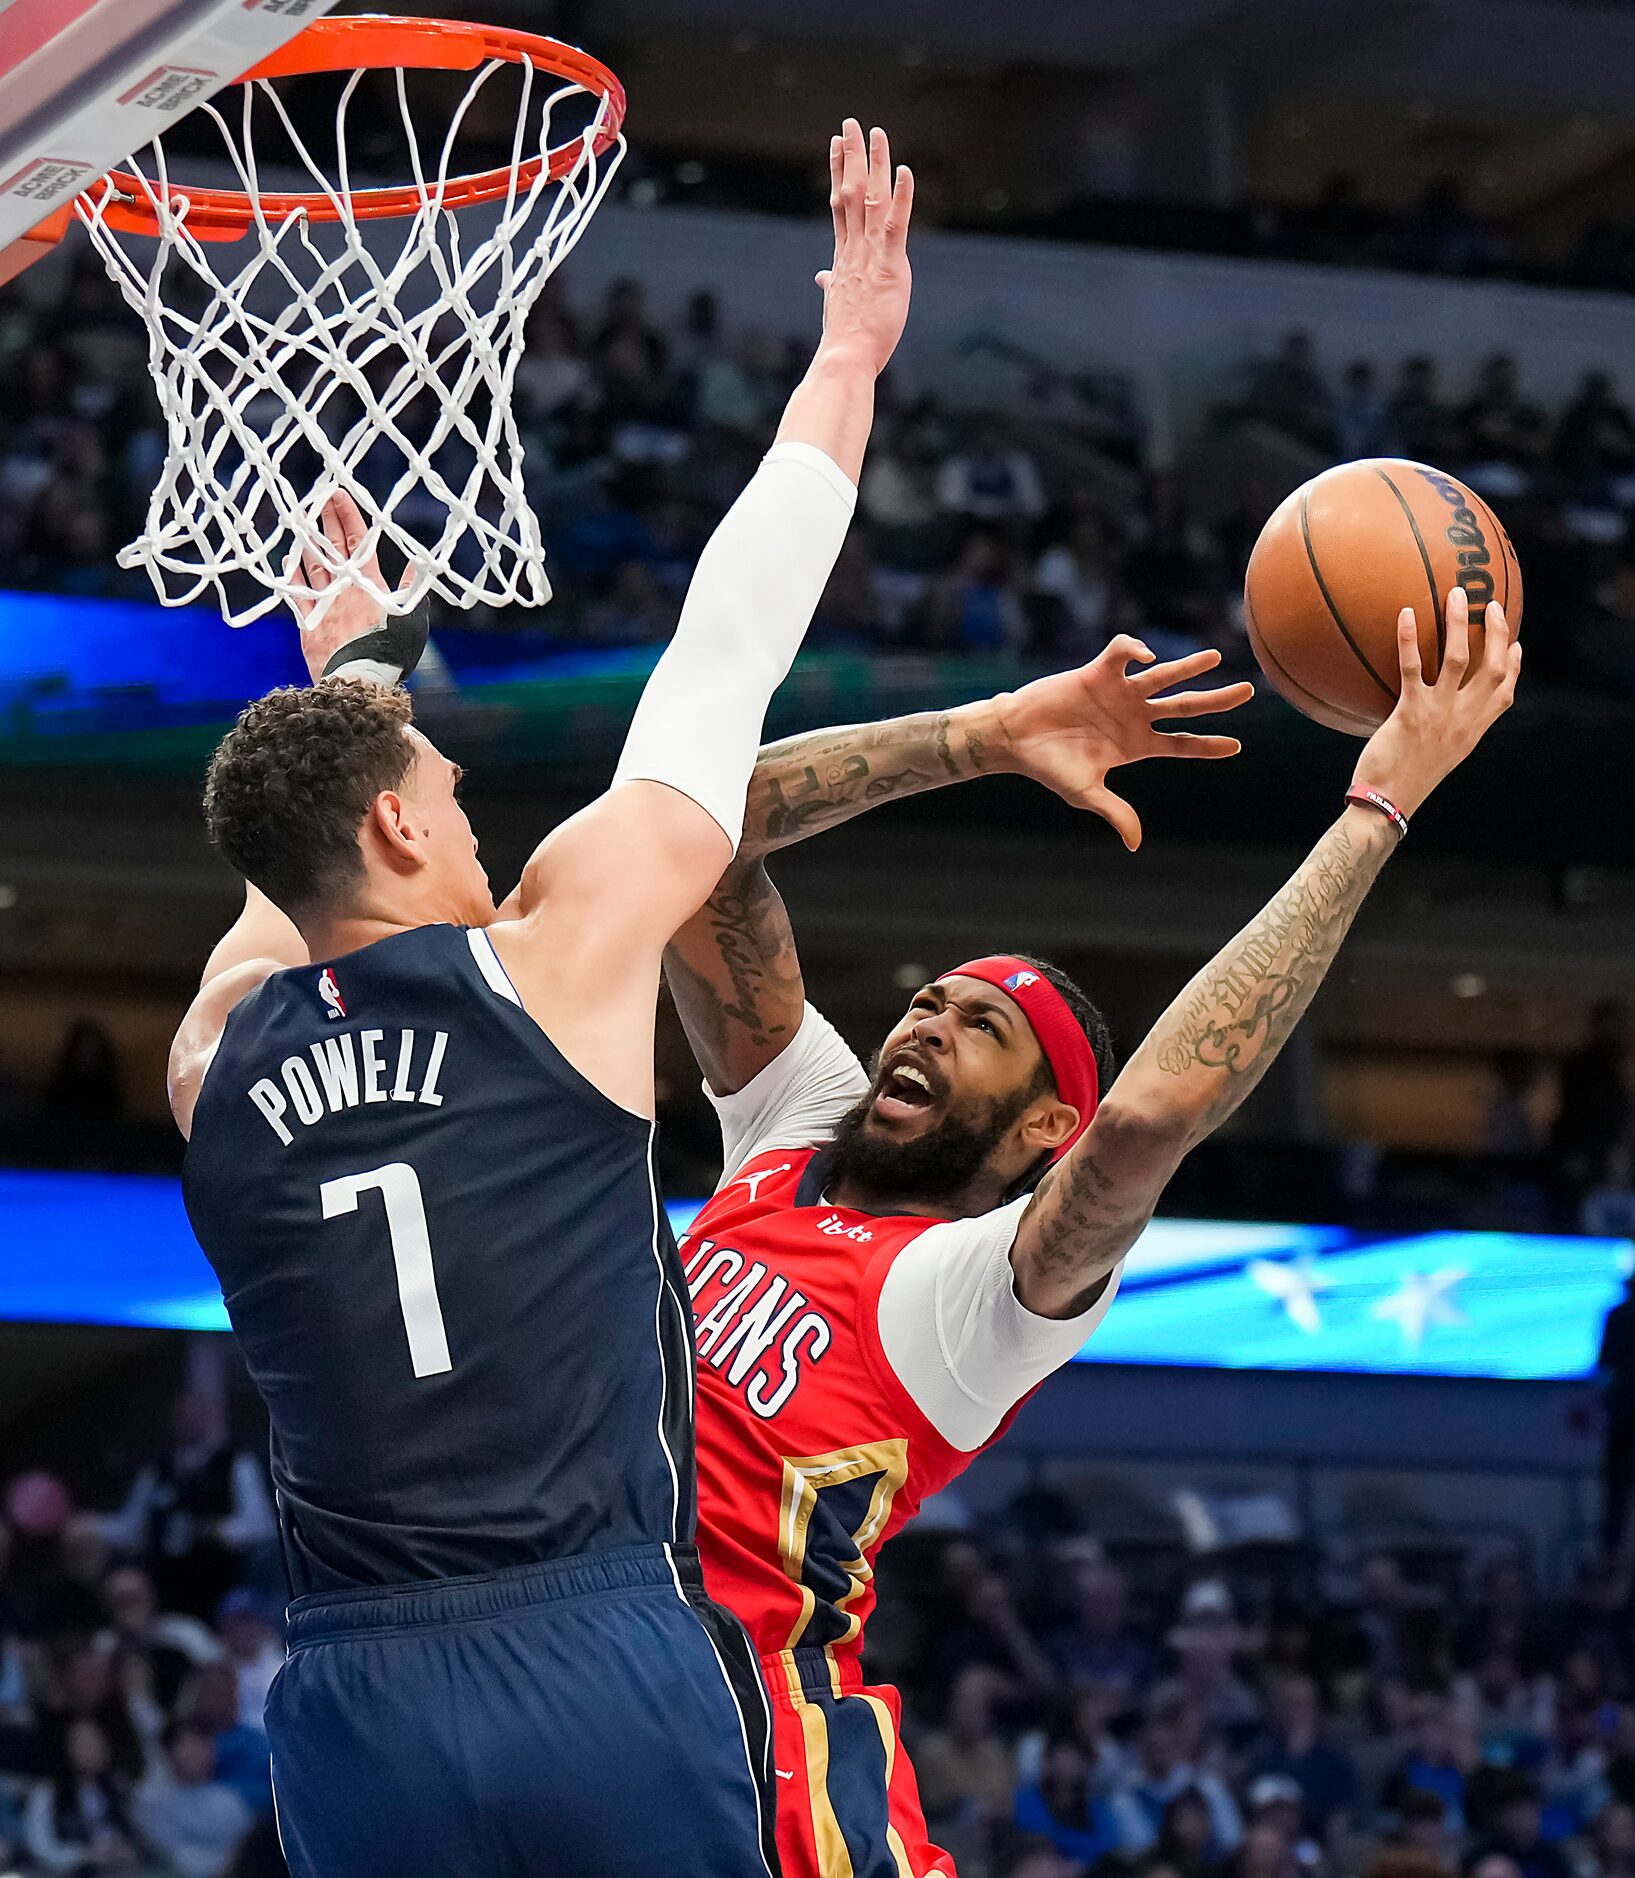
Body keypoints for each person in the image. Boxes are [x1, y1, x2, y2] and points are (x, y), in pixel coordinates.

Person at [167, 119, 915, 1878]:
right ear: (399, 817)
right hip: (594, 1650)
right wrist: (846, 357)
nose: (473, 795)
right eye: (440, 767)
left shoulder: (215, 1054)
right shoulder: (560, 960)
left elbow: (284, 905)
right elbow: (729, 643)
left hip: (352, 1701)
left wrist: (349, 670)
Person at [661, 580, 1520, 1878]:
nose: (926, 1026)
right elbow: (697, 847)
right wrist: (985, 735)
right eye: (930, 1005)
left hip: (753, 1748)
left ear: (1033, 1129)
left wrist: (1375, 804)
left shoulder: (967, 1296)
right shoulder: (796, 1126)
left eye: (977, 1030)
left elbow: (1141, 1123)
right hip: (580, 1670)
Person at [1598, 1276, 1635, 1559]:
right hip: (1622, 1409)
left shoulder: (1617, 1315)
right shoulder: (1617, 1316)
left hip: (1620, 1408)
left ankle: (1610, 1551)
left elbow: (1605, 1362)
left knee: (1617, 1489)